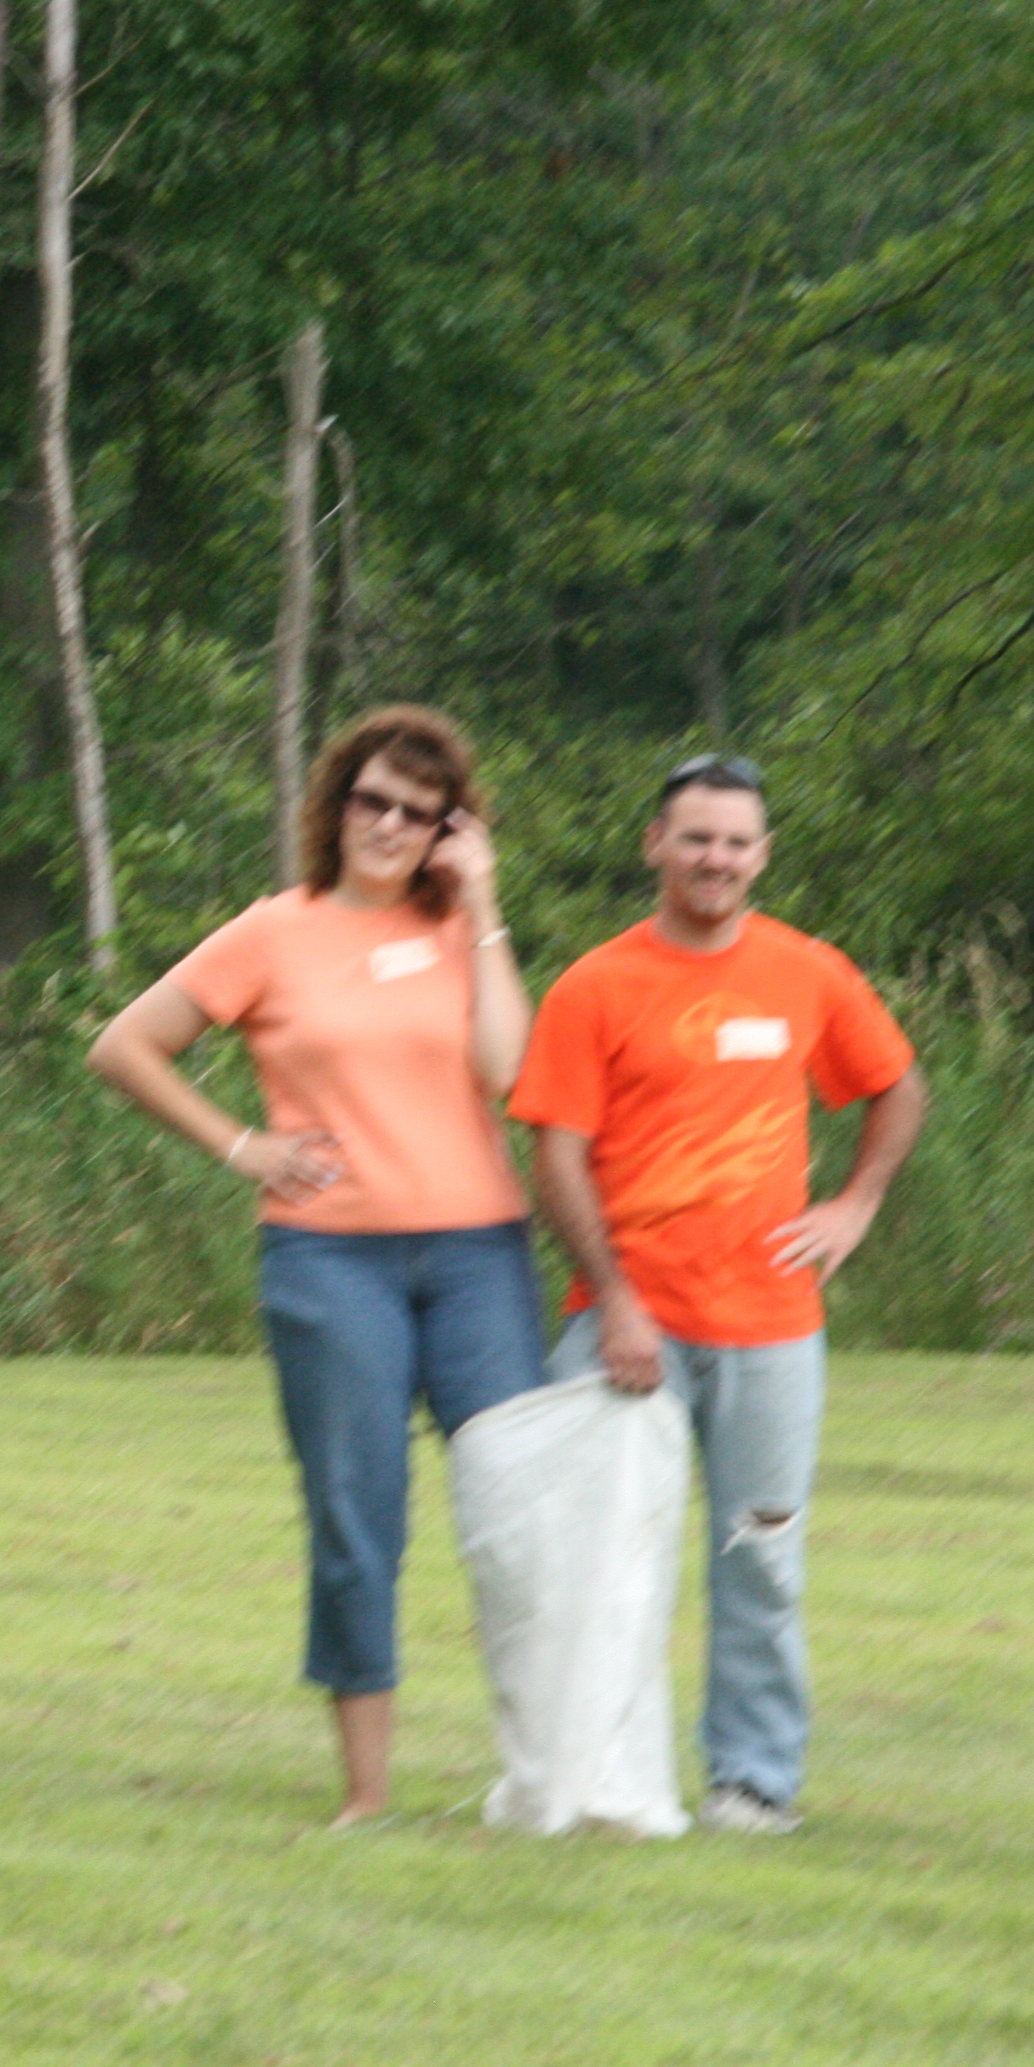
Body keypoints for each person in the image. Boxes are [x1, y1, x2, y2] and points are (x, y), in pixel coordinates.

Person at [88, 704, 545, 1826]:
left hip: (479, 1255)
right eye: (372, 801)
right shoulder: (272, 932)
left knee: (522, 1508)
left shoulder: (464, 931)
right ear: (336, 805)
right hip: (331, 1260)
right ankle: (365, 1793)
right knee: (355, 1515)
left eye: (419, 813)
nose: (389, 825)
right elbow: (125, 1046)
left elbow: (509, 1071)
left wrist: (483, 905)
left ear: (450, 831)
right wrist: (241, 1145)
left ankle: (547, 1770)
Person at [509, 752, 927, 1836]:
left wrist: (855, 1205)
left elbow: (896, 1087)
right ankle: (592, 1777)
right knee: (596, 1565)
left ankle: (751, 1782)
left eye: (737, 842)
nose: (716, 858)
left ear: (763, 855)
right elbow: (557, 1158)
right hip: (623, 1326)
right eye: (695, 837)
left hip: (770, 1327)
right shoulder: (596, 985)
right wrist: (615, 1299)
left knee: (762, 1560)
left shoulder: (807, 973)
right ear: (655, 844)